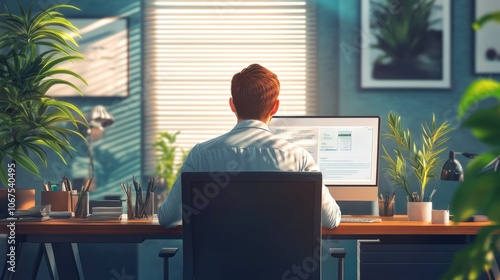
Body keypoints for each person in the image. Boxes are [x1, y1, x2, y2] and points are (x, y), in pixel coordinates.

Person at [158, 64, 341, 228]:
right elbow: (330, 220)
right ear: (275, 107)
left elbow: (167, 219)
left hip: (217, 266)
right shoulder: (299, 158)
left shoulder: (200, 156)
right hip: (280, 266)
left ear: (232, 105)